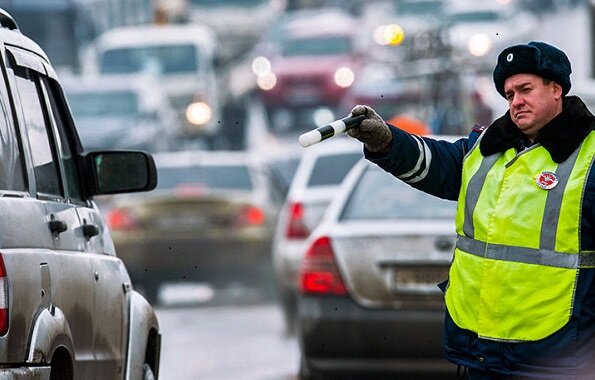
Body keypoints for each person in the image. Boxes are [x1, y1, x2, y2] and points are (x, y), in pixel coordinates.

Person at [346, 41, 595, 379]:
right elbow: (434, 163)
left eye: (525, 89)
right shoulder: (487, 148)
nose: (516, 101)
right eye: (509, 95)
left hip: (555, 358)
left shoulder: (589, 157)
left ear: (556, 89)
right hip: (480, 351)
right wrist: (386, 140)